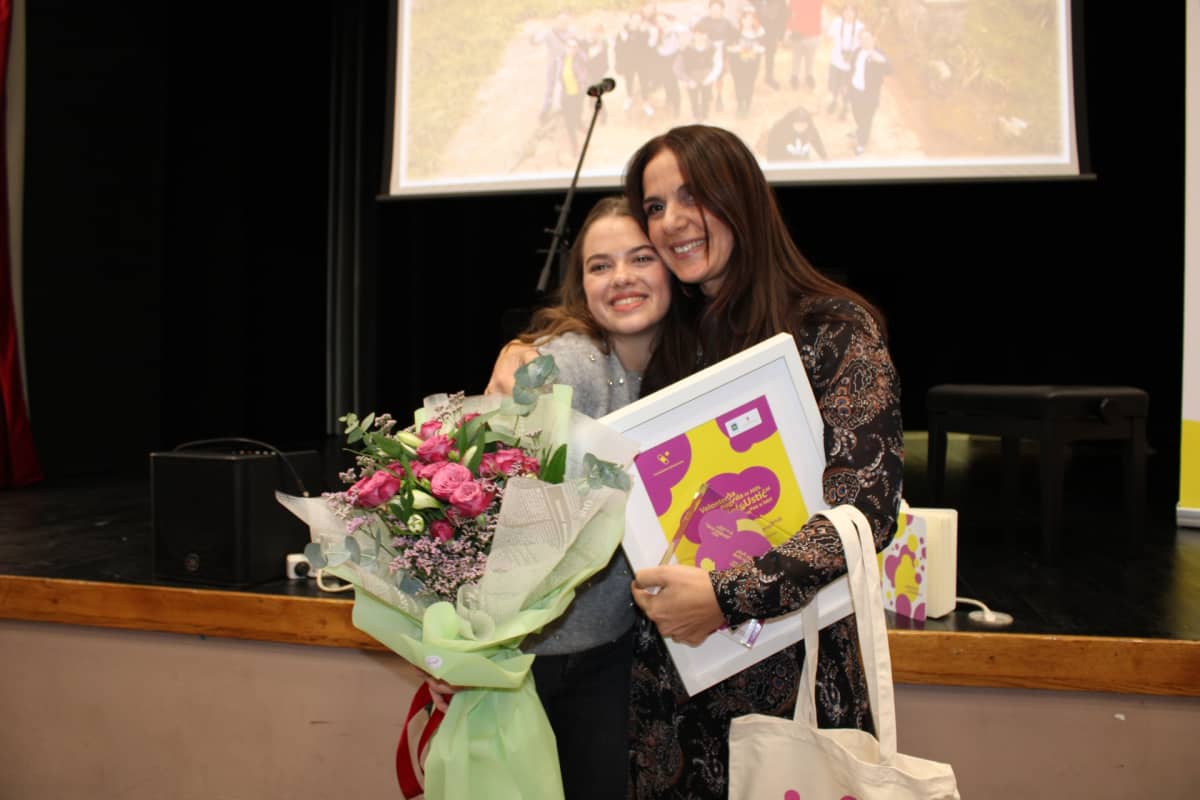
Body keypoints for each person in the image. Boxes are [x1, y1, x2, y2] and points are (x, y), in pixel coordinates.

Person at [623, 124, 903, 799]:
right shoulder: (672, 345)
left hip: (795, 677)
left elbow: (864, 512)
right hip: (679, 691)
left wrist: (725, 596)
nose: (671, 221)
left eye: (692, 195)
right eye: (655, 206)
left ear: (741, 196)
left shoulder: (833, 329)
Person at [433, 195, 684, 800]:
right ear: (581, 286)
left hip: (614, 654)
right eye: (600, 265)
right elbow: (469, 500)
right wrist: (449, 641)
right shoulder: (568, 365)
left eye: (640, 258)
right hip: (524, 661)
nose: (620, 277)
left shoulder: (691, 369)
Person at [847, 28, 891, 155]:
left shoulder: (879, 54)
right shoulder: (857, 51)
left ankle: (861, 143)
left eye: (867, 38)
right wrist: (848, 86)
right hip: (855, 91)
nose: (864, 41)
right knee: (857, 114)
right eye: (861, 39)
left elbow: (889, 69)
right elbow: (852, 69)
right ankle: (860, 130)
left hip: (870, 95)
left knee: (866, 119)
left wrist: (878, 58)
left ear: (873, 39)